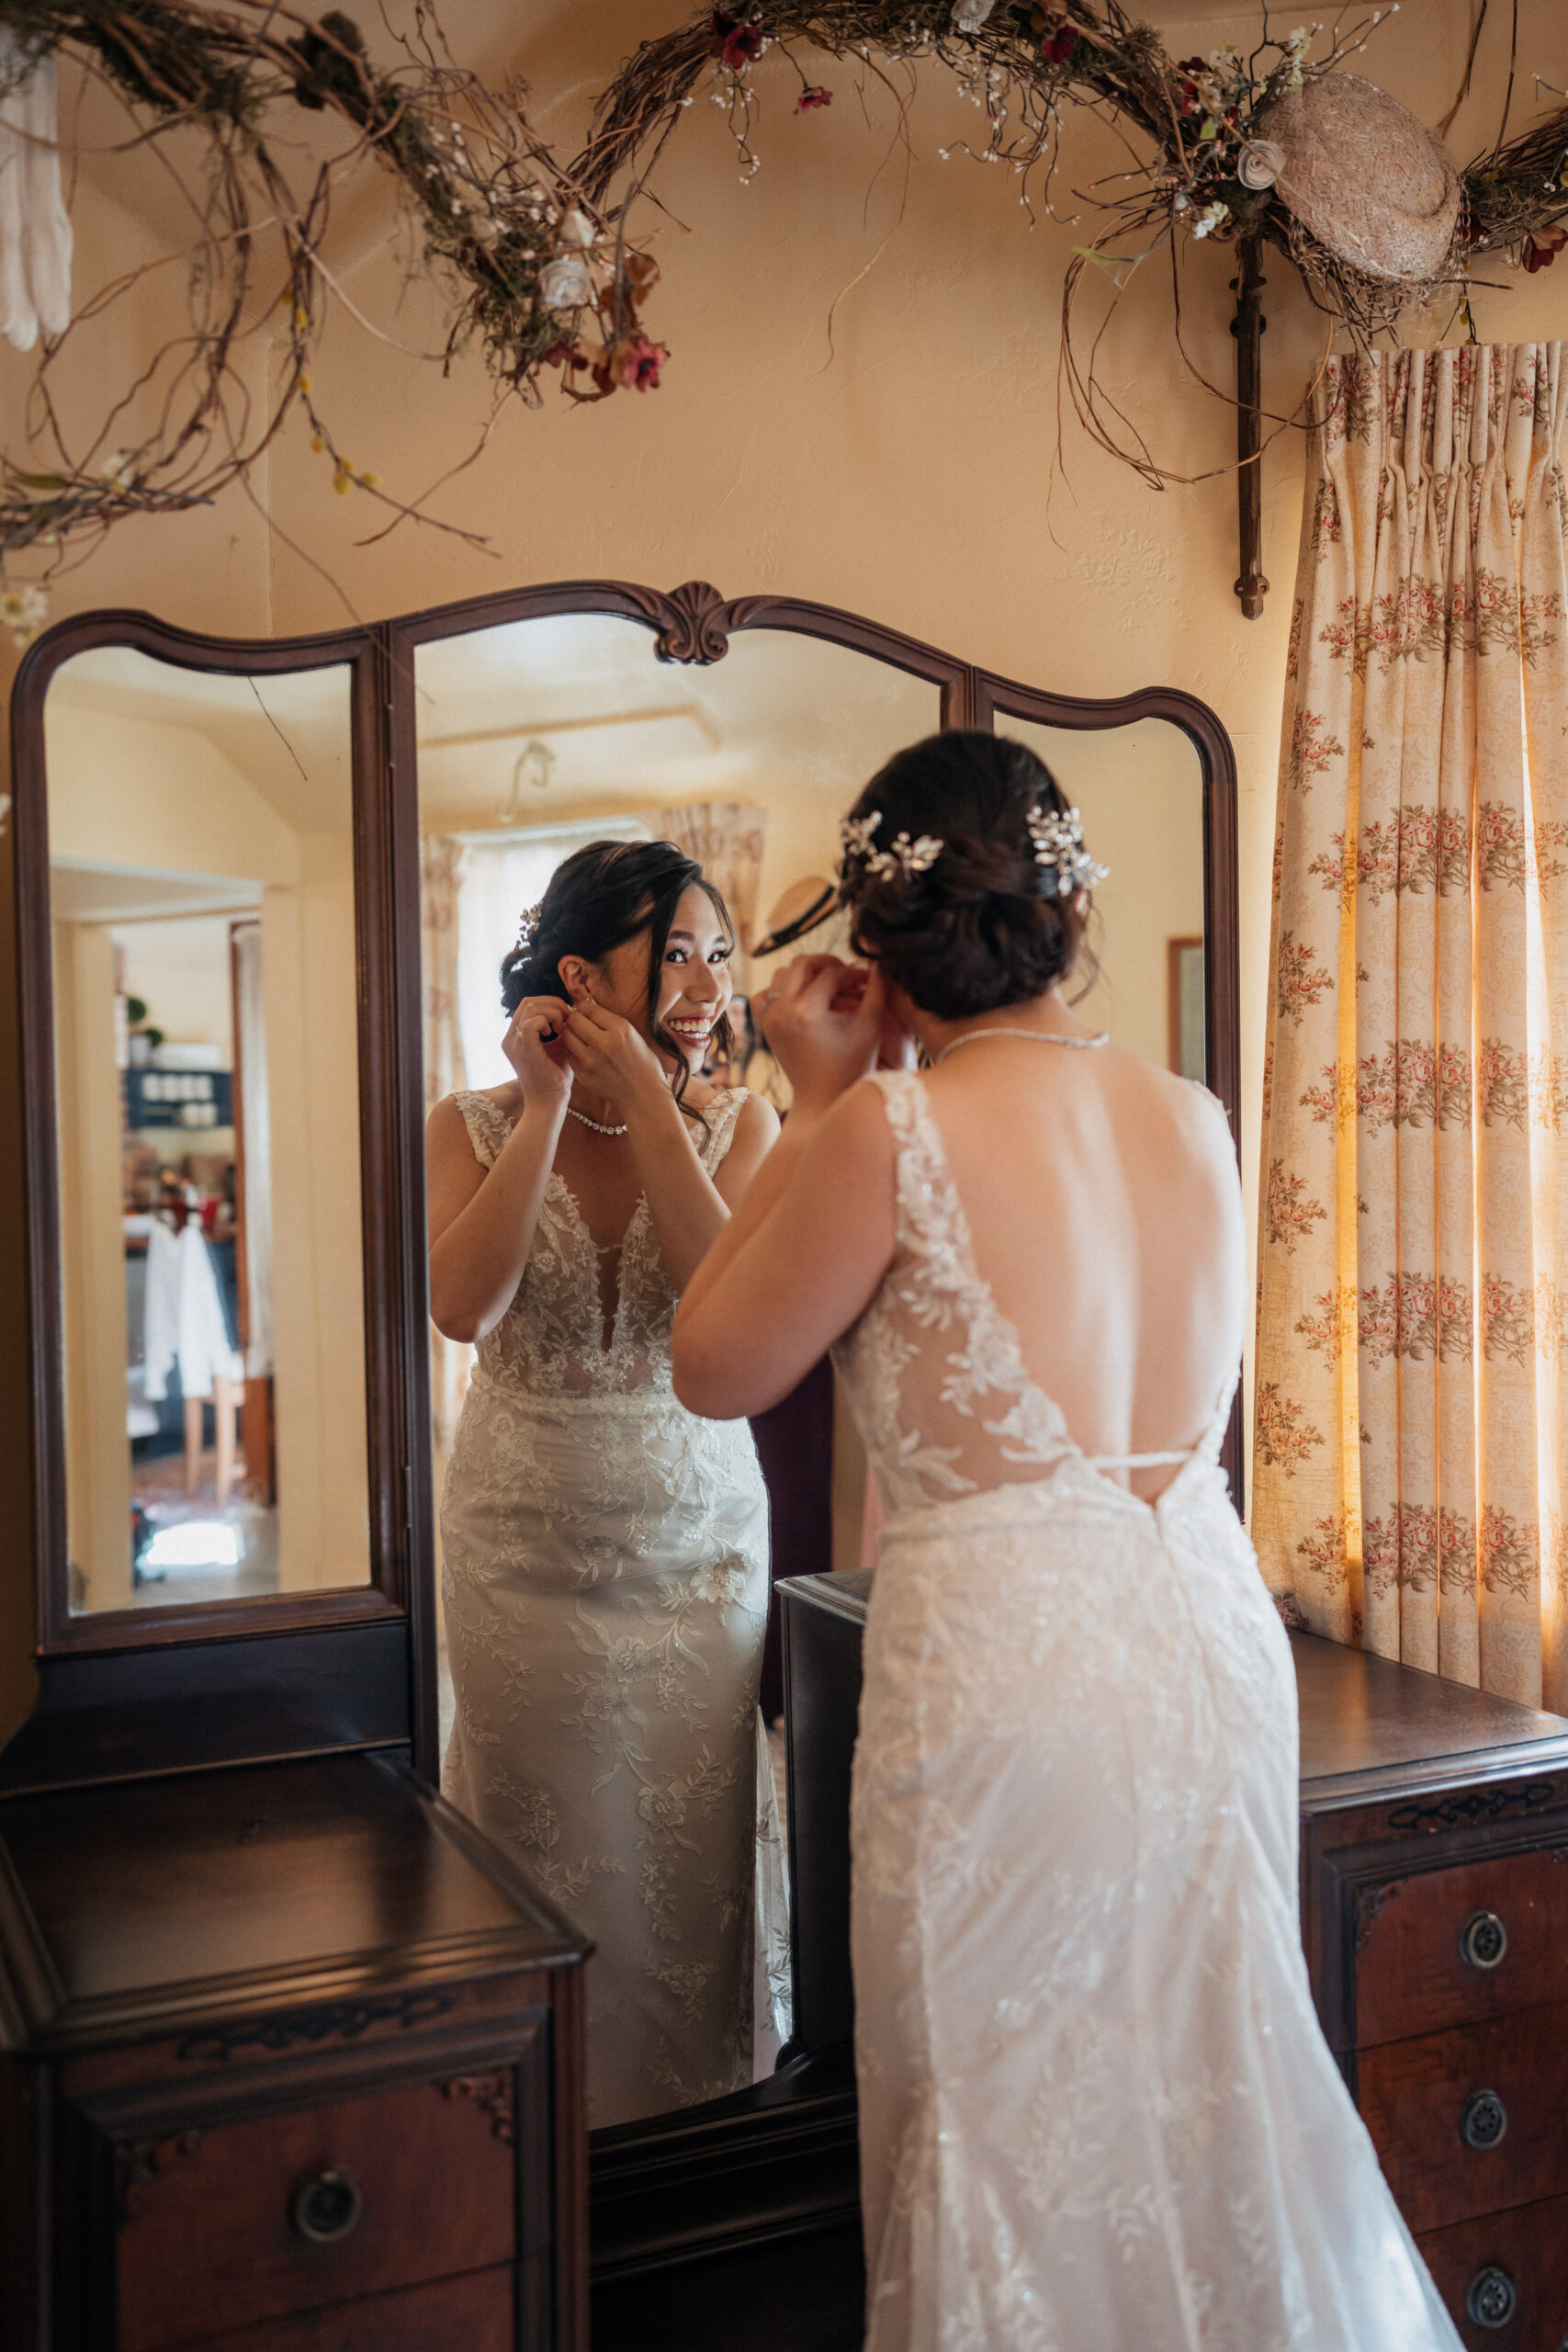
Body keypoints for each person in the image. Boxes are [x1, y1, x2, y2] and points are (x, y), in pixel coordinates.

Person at [671, 734, 1462, 2349]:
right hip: (1203, 1639)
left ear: (881, 950)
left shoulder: (888, 1133)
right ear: (1065, 903)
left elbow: (713, 1366)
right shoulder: (1193, 1117)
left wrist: (818, 1098)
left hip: (1013, 1671)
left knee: (1003, 2113)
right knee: (1215, 2080)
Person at [428, 839, 789, 2130]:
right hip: (518, 1544)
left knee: (688, 1862)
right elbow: (464, 1309)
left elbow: (726, 1297)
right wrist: (541, 1112)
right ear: (582, 975)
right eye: (675, 951)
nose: (706, 982)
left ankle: (702, 2127)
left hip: (695, 1547)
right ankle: (530, 2126)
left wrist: (650, 1104)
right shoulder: (466, 1124)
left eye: (717, 952)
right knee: (536, 1841)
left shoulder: (745, 1127)